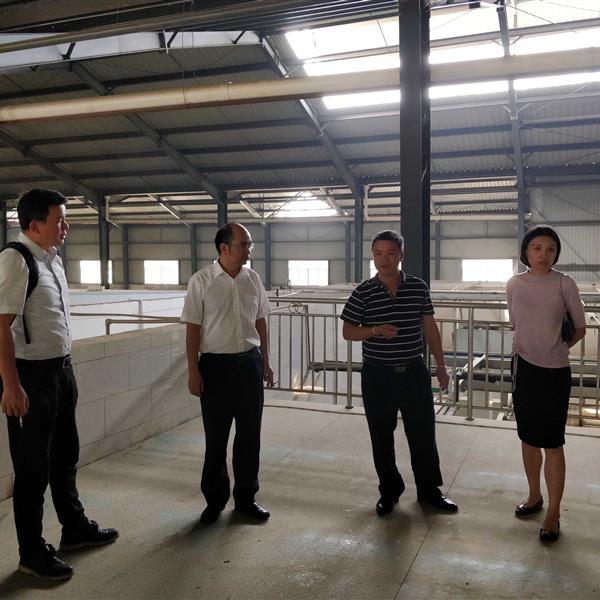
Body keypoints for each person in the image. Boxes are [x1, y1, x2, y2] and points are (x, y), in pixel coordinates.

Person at [0, 189, 118, 581]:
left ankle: (74, 528)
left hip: (60, 370)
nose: (65, 226)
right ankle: (31, 552)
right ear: (34, 225)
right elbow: (0, 326)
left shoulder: (51, 260)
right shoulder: (15, 260)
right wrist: (11, 386)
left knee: (66, 454)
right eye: (59, 220)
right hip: (31, 377)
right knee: (32, 468)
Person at [341, 230, 458, 516]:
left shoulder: (417, 287)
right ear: (373, 256)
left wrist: (441, 366)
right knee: (381, 435)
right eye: (378, 253)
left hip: (413, 372)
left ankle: (429, 491)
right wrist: (375, 330)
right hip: (377, 375)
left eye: (391, 253)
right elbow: (348, 331)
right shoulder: (363, 292)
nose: (384, 259)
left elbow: (430, 327)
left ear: (401, 255)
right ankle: (389, 491)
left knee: (423, 433)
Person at [182, 222, 274, 525]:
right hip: (215, 368)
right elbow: (193, 329)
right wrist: (193, 371)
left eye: (249, 245)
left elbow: (260, 321)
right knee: (216, 438)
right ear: (224, 248)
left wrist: (266, 361)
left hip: (249, 365)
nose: (248, 250)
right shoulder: (201, 281)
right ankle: (215, 500)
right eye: (243, 245)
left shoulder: (252, 278)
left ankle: (246, 498)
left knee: (250, 436)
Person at [506, 225, 585, 541]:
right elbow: (516, 323)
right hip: (523, 368)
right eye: (537, 248)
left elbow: (580, 327)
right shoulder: (514, 284)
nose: (543, 254)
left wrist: (556, 349)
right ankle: (534, 495)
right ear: (526, 252)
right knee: (528, 437)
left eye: (550, 249)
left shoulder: (565, 283)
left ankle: (553, 512)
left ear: (556, 254)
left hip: (555, 372)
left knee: (552, 442)